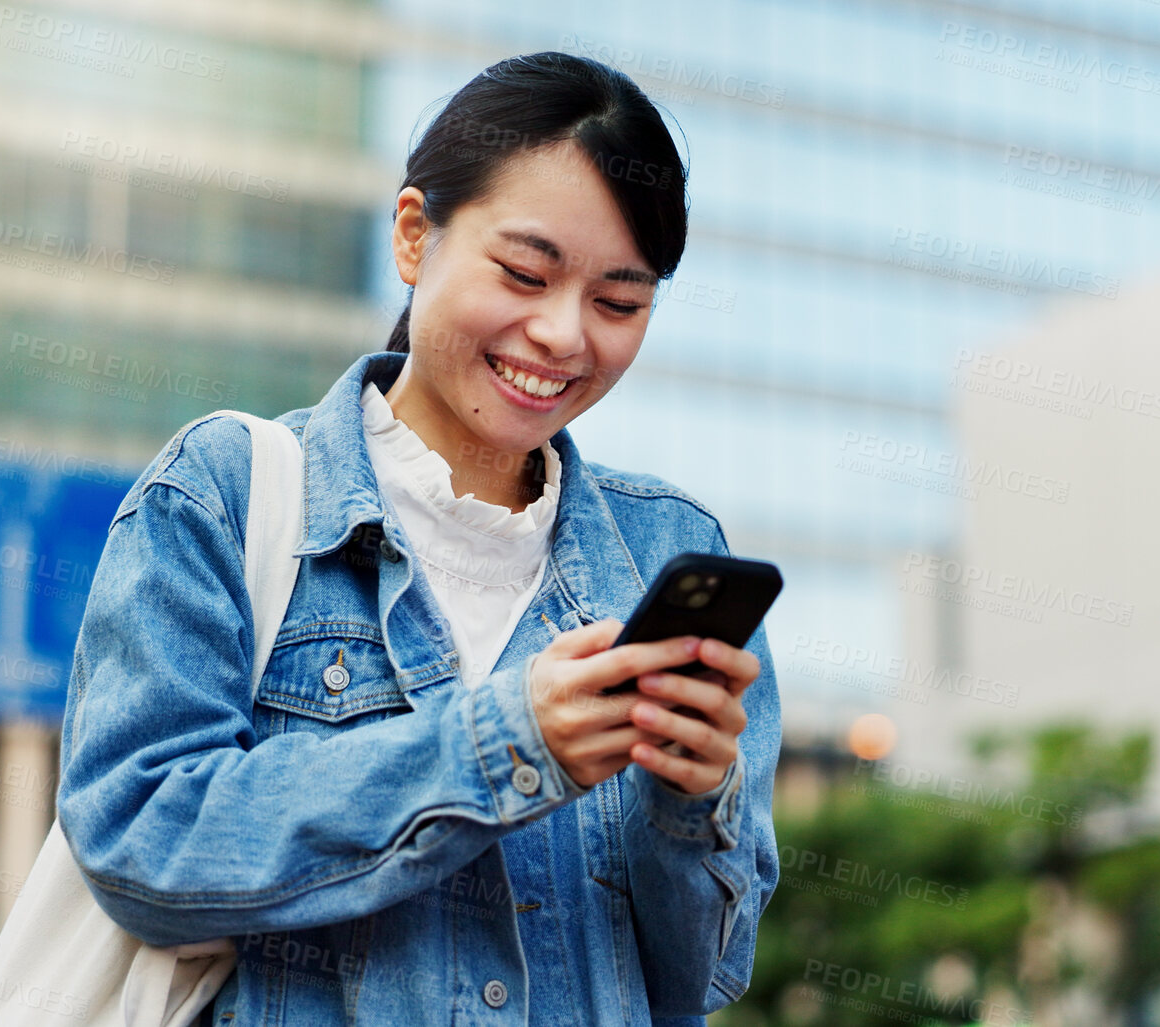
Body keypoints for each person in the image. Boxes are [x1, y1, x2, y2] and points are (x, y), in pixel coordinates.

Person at [57, 51, 780, 1025]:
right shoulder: (223, 496)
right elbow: (142, 848)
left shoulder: (667, 548)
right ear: (413, 236)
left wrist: (691, 802)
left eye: (619, 302)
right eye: (525, 272)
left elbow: (705, 976)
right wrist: (510, 742)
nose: (565, 334)